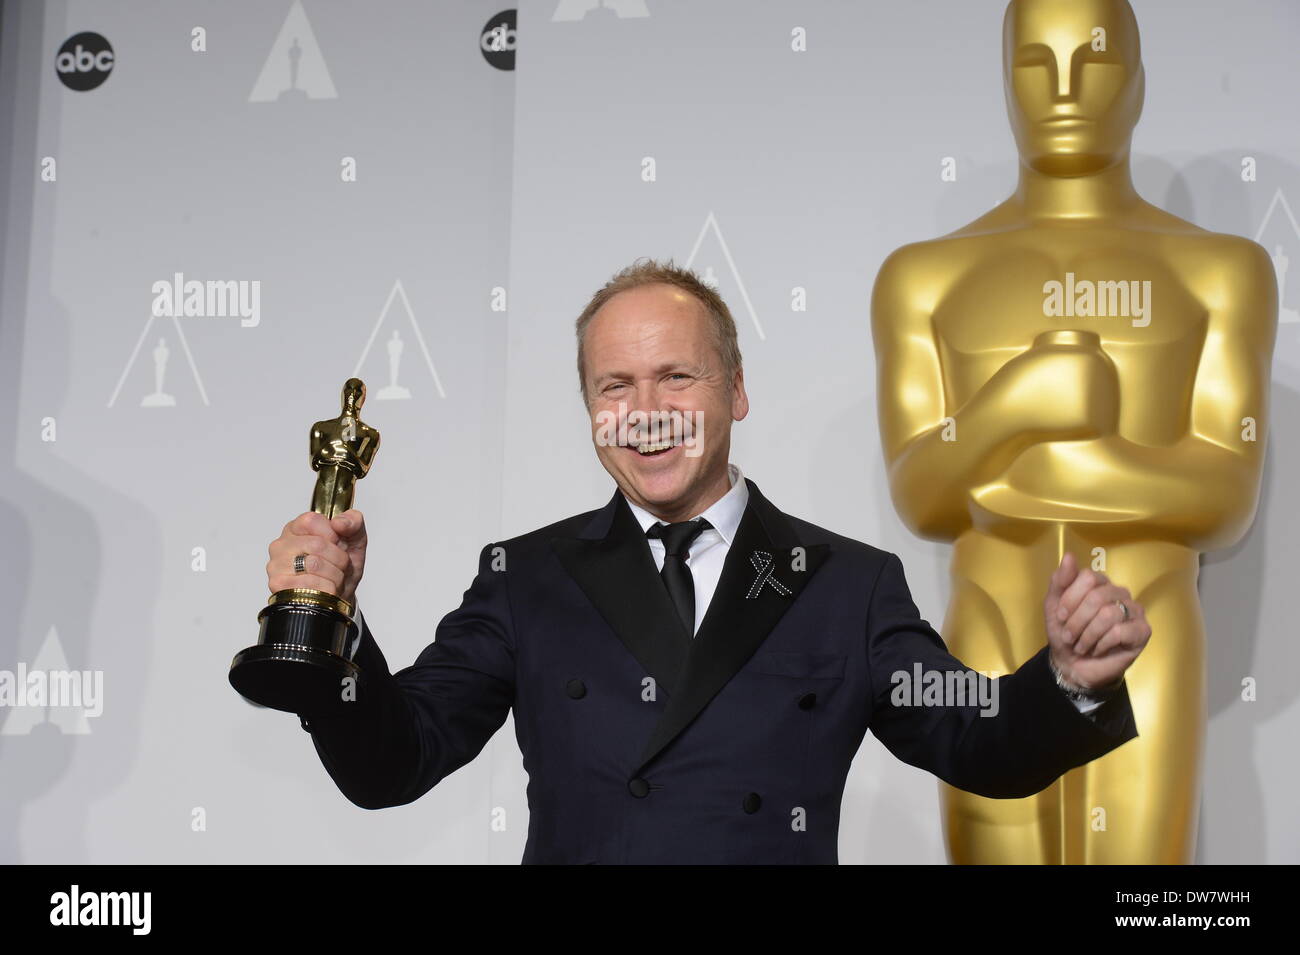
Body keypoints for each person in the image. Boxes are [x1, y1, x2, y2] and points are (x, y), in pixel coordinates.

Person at [263, 258, 1150, 864]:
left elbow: (977, 733)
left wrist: (1069, 680)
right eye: (615, 386)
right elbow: (395, 761)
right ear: (591, 407)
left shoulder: (845, 585)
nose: (646, 410)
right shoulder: (526, 577)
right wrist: (331, 629)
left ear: (736, 389)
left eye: (676, 377)